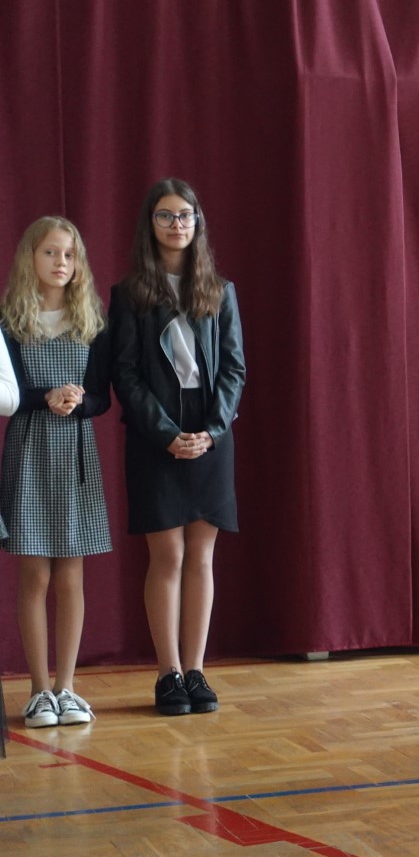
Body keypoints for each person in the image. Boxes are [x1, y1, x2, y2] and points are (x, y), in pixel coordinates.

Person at [110, 179, 245, 717]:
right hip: (155, 436)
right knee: (167, 555)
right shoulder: (129, 294)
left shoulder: (221, 290)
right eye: (165, 216)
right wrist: (165, 433)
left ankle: (196, 670)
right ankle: (167, 673)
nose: (176, 225)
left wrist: (213, 430)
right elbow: (124, 374)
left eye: (185, 215)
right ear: (150, 224)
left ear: (197, 223)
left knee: (202, 556)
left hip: (210, 434)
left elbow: (234, 369)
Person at [3, 218, 112, 729]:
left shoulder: (90, 320)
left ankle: (67, 687)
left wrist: (78, 401)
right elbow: (8, 394)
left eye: (69, 254)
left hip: (75, 451)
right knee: (36, 573)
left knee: (71, 573)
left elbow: (102, 397)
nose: (61, 263)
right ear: (31, 258)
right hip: (28, 448)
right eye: (50, 252)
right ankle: (38, 690)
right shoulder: (9, 321)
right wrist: (45, 397)